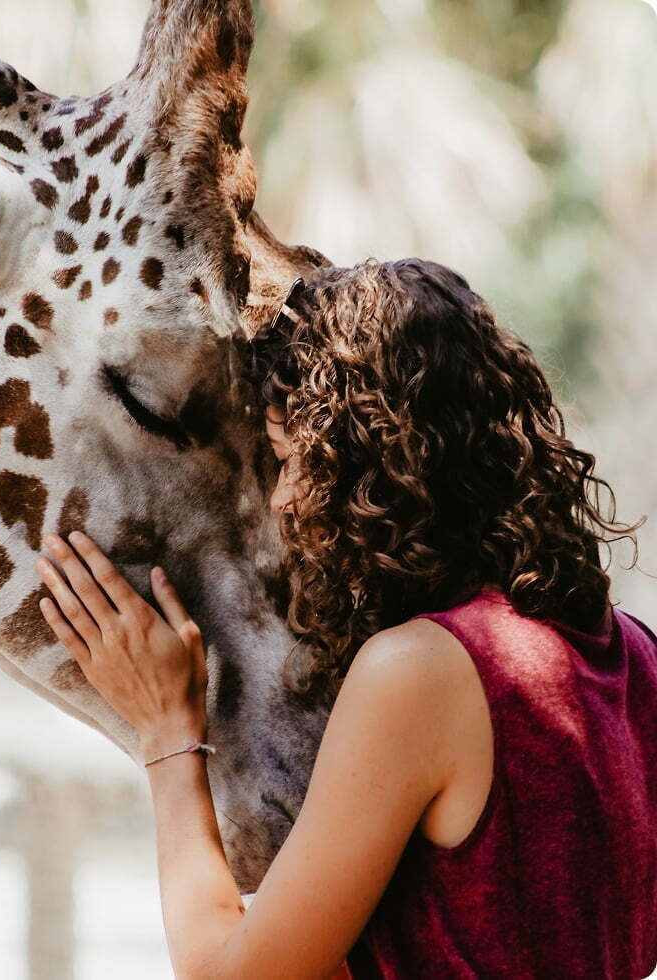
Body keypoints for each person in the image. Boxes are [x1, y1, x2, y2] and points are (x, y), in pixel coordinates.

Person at [35, 258, 657, 980]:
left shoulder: (424, 671)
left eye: (292, 458)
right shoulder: (634, 656)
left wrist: (168, 732)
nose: (285, 501)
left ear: (376, 463)